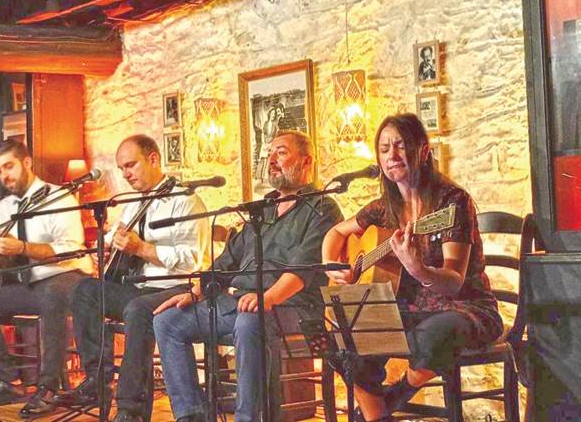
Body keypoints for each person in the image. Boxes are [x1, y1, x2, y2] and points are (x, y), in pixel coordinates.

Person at [321, 113, 503, 422]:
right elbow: (336, 232)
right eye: (384, 149)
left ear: (423, 150)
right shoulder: (384, 208)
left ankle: (394, 396)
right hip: (409, 310)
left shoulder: (451, 203)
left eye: (400, 145)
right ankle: (379, 416)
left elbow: (454, 281)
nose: (391, 155)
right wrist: (333, 266)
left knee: (434, 334)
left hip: (464, 307)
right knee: (341, 336)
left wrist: (418, 269)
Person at [153, 130, 344, 422]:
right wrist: (194, 292)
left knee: (250, 320)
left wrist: (268, 297)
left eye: (281, 152)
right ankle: (192, 416)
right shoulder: (262, 210)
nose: (272, 160)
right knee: (167, 322)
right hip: (242, 304)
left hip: (295, 308)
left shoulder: (322, 208)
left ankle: (247, 418)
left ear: (306, 162)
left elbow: (304, 269)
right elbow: (226, 262)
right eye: (270, 154)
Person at [60, 134, 210, 422]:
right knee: (84, 290)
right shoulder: (134, 204)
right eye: (121, 169)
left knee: (138, 310)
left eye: (131, 165)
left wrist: (141, 248)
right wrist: (104, 249)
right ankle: (97, 380)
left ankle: (131, 410)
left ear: (153, 159)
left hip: (176, 287)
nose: (126, 174)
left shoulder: (186, 201)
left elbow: (192, 260)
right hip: (138, 288)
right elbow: (114, 237)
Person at [0, 139, 94, 417]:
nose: (4, 175)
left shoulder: (60, 197)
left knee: (52, 296)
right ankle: (8, 381)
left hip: (67, 275)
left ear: (27, 163)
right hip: (28, 284)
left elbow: (70, 249)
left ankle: (48, 388)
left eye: (9, 166)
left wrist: (22, 248)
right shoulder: (4, 207)